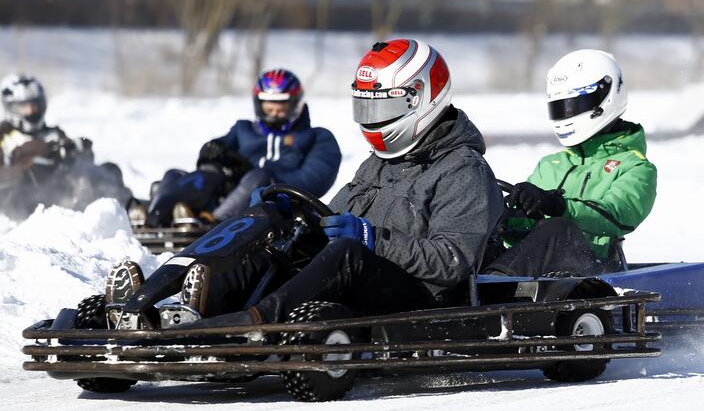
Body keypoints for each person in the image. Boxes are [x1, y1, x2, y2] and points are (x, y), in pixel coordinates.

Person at [107, 39, 504, 328]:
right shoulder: (380, 164)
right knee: (274, 240)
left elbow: (452, 262)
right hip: (364, 280)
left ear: (422, 97)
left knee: (345, 253)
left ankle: (251, 324)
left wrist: (371, 239)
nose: (373, 118)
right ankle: (177, 305)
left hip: (423, 301)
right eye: (367, 104)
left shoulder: (463, 169)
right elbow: (332, 215)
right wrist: (287, 215)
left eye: (382, 105)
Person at [485, 49, 657, 278]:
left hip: (594, 271)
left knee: (559, 229)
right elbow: (529, 231)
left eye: (572, 106)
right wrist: (504, 219)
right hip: (544, 270)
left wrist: (558, 206)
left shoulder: (636, 168)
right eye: (559, 108)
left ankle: (491, 288)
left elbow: (616, 216)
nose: (565, 115)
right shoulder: (551, 165)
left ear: (603, 99)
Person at [138, 69, 341, 227]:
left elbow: (314, 181)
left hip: (275, 204)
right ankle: (157, 214)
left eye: (281, 108)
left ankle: (212, 223)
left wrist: (260, 177)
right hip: (229, 195)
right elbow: (213, 154)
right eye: (269, 108)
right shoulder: (243, 129)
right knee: (176, 174)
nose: (273, 114)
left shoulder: (317, 137)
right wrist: (213, 152)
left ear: (295, 105)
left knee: (259, 177)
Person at [0, 73, 131, 219]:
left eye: (35, 105)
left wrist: (77, 150)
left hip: (60, 190)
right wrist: (34, 161)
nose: (31, 111)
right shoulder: (3, 135)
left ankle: (127, 210)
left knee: (109, 170)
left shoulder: (53, 133)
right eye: (24, 107)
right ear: (11, 108)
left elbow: (80, 159)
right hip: (21, 202)